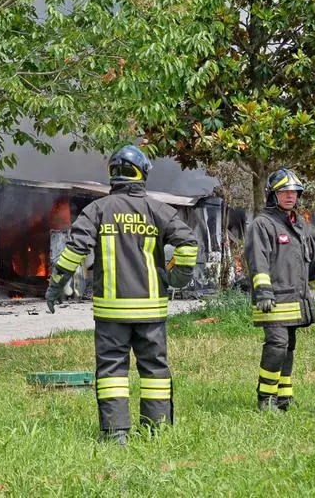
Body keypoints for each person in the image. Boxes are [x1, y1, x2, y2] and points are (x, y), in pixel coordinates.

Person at [45, 145, 199, 445]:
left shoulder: (97, 210)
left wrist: (55, 285)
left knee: (112, 371)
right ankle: (156, 431)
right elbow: (188, 243)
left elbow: (74, 250)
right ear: (142, 174)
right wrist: (179, 277)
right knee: (154, 368)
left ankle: (116, 435)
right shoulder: (158, 210)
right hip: (150, 310)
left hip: (111, 312)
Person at [245, 168, 315, 412]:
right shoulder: (262, 224)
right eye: (284, 192)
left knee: (288, 347)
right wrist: (264, 293)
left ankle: (284, 398)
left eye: (294, 192)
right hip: (273, 300)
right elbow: (258, 260)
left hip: (295, 301)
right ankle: (265, 399)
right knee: (277, 345)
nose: (290, 196)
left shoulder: (299, 225)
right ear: (272, 195)